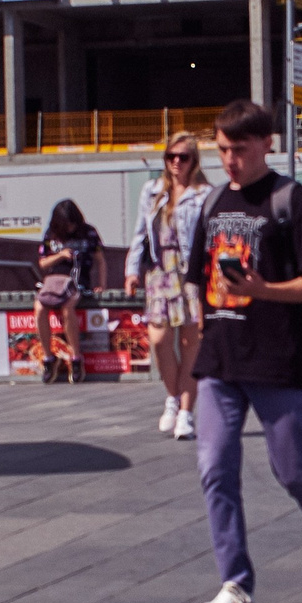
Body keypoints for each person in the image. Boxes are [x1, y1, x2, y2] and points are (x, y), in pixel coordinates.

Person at [185, 99, 302, 603]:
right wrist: (202, 318)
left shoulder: (292, 201)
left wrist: (263, 289)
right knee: (215, 465)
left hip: (276, 356)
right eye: (221, 150)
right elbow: (199, 273)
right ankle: (235, 583)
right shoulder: (215, 201)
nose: (230, 160)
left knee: (292, 470)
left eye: (239, 149)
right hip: (220, 357)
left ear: (267, 144)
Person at [126, 131, 213, 440]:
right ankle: (172, 398)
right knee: (159, 339)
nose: (176, 162)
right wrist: (131, 270)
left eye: (183, 157)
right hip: (160, 272)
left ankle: (187, 412)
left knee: (192, 344)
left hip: (190, 274)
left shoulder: (204, 193)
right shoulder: (152, 191)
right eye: (171, 156)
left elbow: (209, 241)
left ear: (193, 161)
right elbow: (139, 233)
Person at [33, 198, 103, 383]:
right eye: (67, 224)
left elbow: (100, 260)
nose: (70, 228)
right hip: (54, 280)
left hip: (77, 279)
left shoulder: (88, 232)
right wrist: (60, 256)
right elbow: (42, 263)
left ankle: (76, 358)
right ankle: (49, 358)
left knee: (67, 308)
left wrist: (101, 284)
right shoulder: (51, 234)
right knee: (39, 308)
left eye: (72, 224)